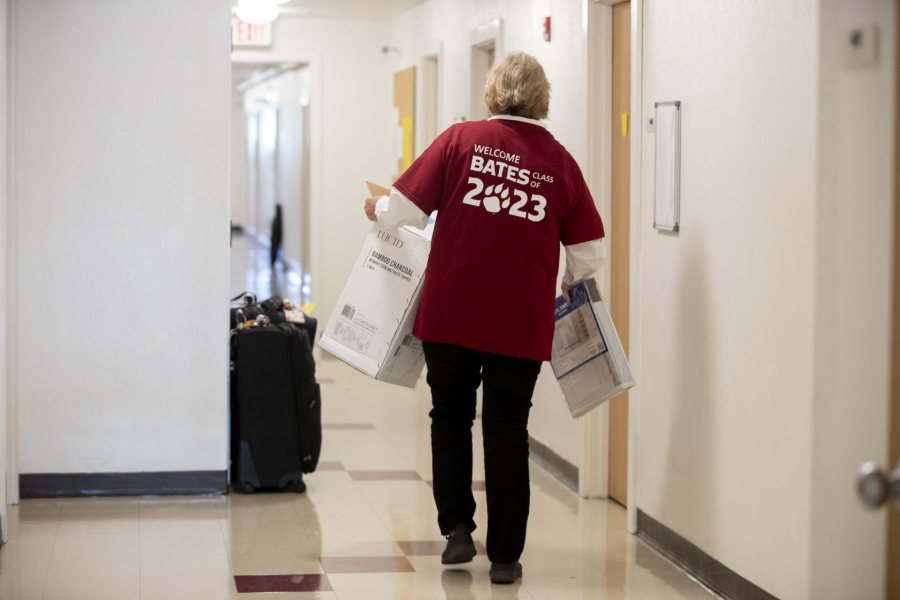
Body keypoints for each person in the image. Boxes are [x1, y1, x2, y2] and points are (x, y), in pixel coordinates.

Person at [363, 52, 605, 585]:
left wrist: (377, 209)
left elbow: (403, 207)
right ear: (542, 98)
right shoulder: (560, 162)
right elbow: (588, 251)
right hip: (520, 324)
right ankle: (505, 557)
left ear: (493, 92)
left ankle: (455, 530)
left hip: (451, 315)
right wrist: (566, 287)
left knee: (449, 418)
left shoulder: (459, 141)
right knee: (507, 431)